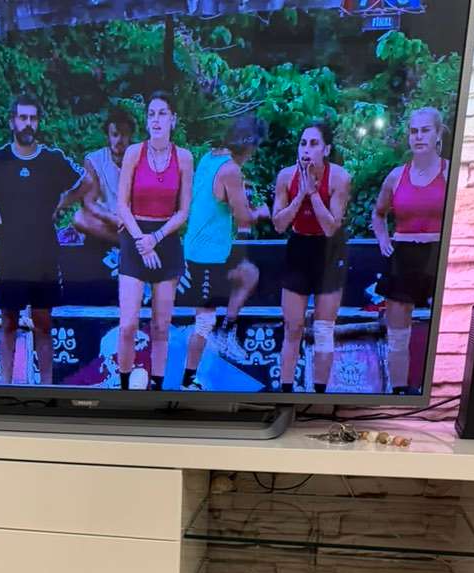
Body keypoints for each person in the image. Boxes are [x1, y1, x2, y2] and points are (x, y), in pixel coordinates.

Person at [0, 94, 89, 385]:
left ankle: (47, 388)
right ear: (12, 122)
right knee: (8, 323)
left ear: (38, 122)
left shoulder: (52, 159)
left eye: (33, 118)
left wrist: (62, 203)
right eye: (23, 117)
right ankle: (5, 387)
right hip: (11, 254)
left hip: (44, 254)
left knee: (43, 324)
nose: (28, 123)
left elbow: (87, 183)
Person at [180, 113, 271, 390]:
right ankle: (187, 381)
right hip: (204, 255)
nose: (255, 153)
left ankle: (227, 331)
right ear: (248, 144)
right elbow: (244, 217)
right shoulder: (231, 170)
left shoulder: (209, 158)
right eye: (255, 147)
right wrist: (262, 212)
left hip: (211, 250)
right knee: (204, 321)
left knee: (247, 274)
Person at [117, 92, 193, 390]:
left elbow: (183, 211)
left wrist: (156, 238)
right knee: (128, 324)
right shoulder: (134, 153)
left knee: (161, 326)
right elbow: (122, 205)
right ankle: (124, 387)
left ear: (173, 119)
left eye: (162, 113)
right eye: (151, 114)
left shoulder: (184, 158)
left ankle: (158, 388)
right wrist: (141, 240)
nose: (156, 120)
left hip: (166, 238)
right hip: (135, 235)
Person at [372, 108, 449, 394]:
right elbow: (378, 213)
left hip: (437, 255)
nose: (418, 136)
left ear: (438, 134)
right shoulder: (396, 176)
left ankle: (441, 392)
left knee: (445, 327)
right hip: (403, 255)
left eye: (425, 130)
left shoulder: (449, 172)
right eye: (414, 131)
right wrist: (383, 239)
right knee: (397, 337)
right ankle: (398, 394)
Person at [272, 122, 351, 393]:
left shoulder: (339, 178)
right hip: (299, 247)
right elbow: (279, 224)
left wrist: (314, 193)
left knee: (324, 329)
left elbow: (330, 227)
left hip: (329, 250)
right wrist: (300, 196)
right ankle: (285, 392)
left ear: (326, 150)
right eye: (303, 143)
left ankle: (319, 395)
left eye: (314, 144)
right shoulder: (286, 176)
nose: (306, 149)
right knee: (293, 327)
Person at [73, 107, 136, 246]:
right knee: (79, 218)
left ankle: (133, 242)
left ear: (130, 136)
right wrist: (114, 219)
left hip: (133, 221)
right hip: (108, 221)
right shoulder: (94, 160)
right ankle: (128, 244)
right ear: (108, 136)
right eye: (115, 135)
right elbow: (90, 202)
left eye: (124, 135)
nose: (119, 140)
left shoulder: (140, 158)